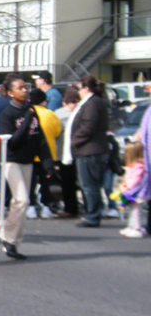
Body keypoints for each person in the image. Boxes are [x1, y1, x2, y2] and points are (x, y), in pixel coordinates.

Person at [0, 74, 52, 260]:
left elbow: (39, 138)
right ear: (10, 92)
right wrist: (27, 119)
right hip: (12, 161)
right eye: (19, 88)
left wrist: (48, 164)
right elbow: (13, 142)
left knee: (19, 202)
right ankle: (8, 236)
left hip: (28, 162)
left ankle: (13, 242)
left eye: (25, 87)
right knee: (22, 200)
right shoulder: (8, 114)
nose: (24, 90)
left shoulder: (31, 110)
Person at [62, 75, 110, 228]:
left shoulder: (92, 103)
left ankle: (93, 216)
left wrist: (74, 140)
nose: (78, 91)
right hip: (90, 149)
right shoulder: (94, 102)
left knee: (89, 185)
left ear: (86, 89)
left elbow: (88, 126)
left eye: (80, 88)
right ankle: (93, 214)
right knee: (89, 185)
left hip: (89, 150)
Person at [26, 88, 61, 219]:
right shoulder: (50, 114)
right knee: (46, 182)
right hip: (47, 154)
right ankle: (46, 207)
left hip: (30, 153)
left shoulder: (28, 113)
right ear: (44, 101)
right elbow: (57, 131)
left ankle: (31, 207)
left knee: (30, 182)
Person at [54, 87, 81, 218]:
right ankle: (70, 208)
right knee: (67, 183)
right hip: (63, 154)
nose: (75, 104)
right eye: (72, 102)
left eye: (77, 101)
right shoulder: (58, 114)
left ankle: (86, 208)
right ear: (65, 102)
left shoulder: (81, 113)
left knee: (81, 182)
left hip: (78, 153)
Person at [118, 141, 146, 238]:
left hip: (137, 194)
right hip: (132, 193)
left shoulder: (139, 166)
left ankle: (137, 229)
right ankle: (131, 227)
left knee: (136, 212)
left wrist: (127, 186)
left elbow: (135, 180)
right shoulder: (133, 166)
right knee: (131, 211)